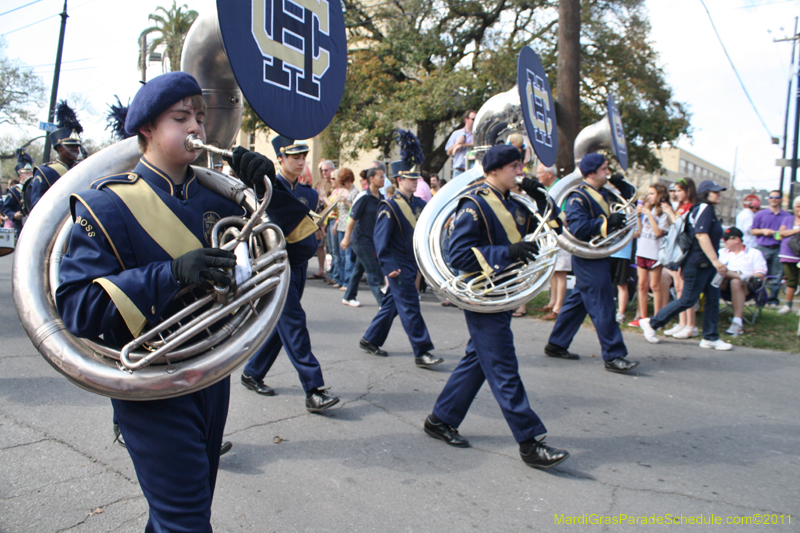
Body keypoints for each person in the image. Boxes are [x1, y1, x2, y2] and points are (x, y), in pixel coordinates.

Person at [54, 72, 277, 531]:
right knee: (186, 521)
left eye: (200, 116)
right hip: (152, 384)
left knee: (183, 512)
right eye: (180, 117)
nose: (196, 126)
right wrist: (171, 274)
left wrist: (268, 187)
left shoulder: (219, 197)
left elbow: (287, 248)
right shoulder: (108, 205)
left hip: (211, 372)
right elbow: (77, 307)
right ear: (147, 129)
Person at [423, 144, 569, 469]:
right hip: (483, 297)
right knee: (503, 366)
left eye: (520, 166)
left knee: (478, 359)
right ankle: (530, 442)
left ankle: (440, 419)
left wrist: (542, 197)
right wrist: (508, 253)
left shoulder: (516, 204)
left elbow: (554, 230)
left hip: (505, 293)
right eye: (514, 166)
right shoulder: (474, 204)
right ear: (494, 170)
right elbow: (459, 256)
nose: (520, 172)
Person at [241, 135, 340, 413]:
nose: (300, 161)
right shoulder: (266, 190)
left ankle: (252, 372)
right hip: (278, 266)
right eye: (294, 157)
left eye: (303, 157)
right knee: (294, 322)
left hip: (299, 266)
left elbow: (312, 226)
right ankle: (314, 389)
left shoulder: (309, 194)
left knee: (281, 325)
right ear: (280, 159)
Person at [545, 154, 639, 373]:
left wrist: (624, 187)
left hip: (599, 255)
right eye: (604, 169)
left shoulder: (605, 192)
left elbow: (631, 201)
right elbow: (578, 228)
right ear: (591, 173)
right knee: (603, 305)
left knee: (578, 302)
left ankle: (556, 344)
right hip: (588, 258)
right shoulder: (578, 197)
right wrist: (606, 223)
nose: (608, 172)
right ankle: (614, 355)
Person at [358, 161, 442, 368]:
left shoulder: (420, 204)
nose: (415, 182)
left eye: (416, 178)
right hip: (398, 264)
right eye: (409, 179)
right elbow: (380, 240)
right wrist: (388, 266)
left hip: (413, 261)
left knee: (392, 304)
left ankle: (371, 339)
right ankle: (422, 351)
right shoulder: (390, 206)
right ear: (399, 180)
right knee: (410, 306)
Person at [640, 180, 732, 350]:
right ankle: (652, 322)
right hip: (697, 263)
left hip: (707, 264)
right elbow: (701, 235)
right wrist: (716, 261)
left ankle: (710, 337)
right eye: (715, 192)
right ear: (705, 193)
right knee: (687, 299)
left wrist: (713, 263)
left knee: (712, 300)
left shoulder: (706, 209)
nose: (718, 194)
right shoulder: (703, 208)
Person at [27, 101, 85, 212]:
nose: (76, 150)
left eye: (77, 146)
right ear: (59, 148)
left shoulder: (81, 168)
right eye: (71, 146)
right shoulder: (46, 172)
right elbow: (36, 206)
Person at [530, 163, 570, 320]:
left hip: (561, 235)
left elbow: (563, 215)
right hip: (551, 234)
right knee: (553, 270)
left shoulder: (561, 188)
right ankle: (552, 302)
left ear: (549, 174)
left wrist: (552, 223)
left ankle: (558, 308)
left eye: (540, 173)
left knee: (560, 272)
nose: (538, 176)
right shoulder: (548, 189)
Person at [660, 178, 698, 339]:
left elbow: (683, 228)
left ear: (688, 190)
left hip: (686, 252)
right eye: (675, 190)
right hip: (676, 250)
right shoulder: (681, 206)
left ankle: (691, 325)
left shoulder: (693, 207)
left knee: (685, 289)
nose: (676, 194)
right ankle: (682, 322)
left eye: (679, 190)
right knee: (678, 288)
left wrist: (670, 213)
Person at [341, 168, 385, 307]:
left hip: (371, 239)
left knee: (358, 269)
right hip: (360, 239)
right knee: (372, 269)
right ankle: (382, 302)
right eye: (380, 177)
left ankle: (348, 297)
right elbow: (352, 218)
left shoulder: (381, 197)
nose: (383, 179)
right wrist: (346, 238)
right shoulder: (364, 197)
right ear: (371, 179)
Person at [628, 183, 670, 327]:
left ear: (660, 195)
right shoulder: (648, 210)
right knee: (641, 285)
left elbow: (658, 232)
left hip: (655, 253)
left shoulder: (663, 213)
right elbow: (640, 231)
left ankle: (657, 319)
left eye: (652, 194)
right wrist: (639, 216)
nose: (649, 196)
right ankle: (642, 317)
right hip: (642, 251)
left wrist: (649, 214)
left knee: (655, 286)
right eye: (649, 193)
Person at [718, 227, 767, 336]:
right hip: (722, 284)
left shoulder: (754, 253)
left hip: (746, 286)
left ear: (737, 239)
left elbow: (761, 274)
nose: (724, 241)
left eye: (726, 239)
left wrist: (746, 276)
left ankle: (737, 322)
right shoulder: (721, 252)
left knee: (735, 281)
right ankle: (740, 276)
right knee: (719, 271)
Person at [750, 190, 789, 307]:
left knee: (777, 276)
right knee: (758, 275)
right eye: (771, 197)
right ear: (768, 199)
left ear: (781, 199)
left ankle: (773, 301)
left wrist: (782, 235)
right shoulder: (760, 214)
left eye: (776, 197)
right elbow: (752, 231)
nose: (773, 199)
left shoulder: (787, 216)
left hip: (778, 248)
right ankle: (758, 299)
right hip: (762, 248)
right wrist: (763, 231)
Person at [335, 168, 359, 290]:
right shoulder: (343, 191)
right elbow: (339, 210)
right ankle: (341, 280)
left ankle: (348, 282)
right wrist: (336, 223)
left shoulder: (355, 192)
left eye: (344, 182)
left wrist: (346, 202)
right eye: (341, 183)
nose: (343, 185)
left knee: (349, 255)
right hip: (341, 225)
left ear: (349, 180)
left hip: (349, 225)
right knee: (341, 255)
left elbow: (355, 210)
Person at [777, 196, 800, 315]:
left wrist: (789, 232)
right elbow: (781, 233)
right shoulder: (788, 219)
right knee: (790, 280)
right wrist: (797, 230)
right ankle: (788, 305)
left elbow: (785, 233)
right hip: (788, 255)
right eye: (798, 206)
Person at [310, 177, 332, 280]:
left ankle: (331, 272)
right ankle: (321, 270)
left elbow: (331, 206)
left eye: (326, 170)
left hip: (327, 220)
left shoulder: (332, 186)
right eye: (322, 170)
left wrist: (323, 197)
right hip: (318, 219)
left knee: (330, 249)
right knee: (319, 246)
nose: (324, 172)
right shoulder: (319, 182)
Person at [445, 110, 476, 177]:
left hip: (472, 171)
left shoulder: (477, 134)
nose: (475, 121)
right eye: (473, 119)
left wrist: (461, 145)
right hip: (458, 171)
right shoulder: (456, 133)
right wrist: (457, 143)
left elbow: (476, 144)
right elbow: (448, 152)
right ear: (466, 120)